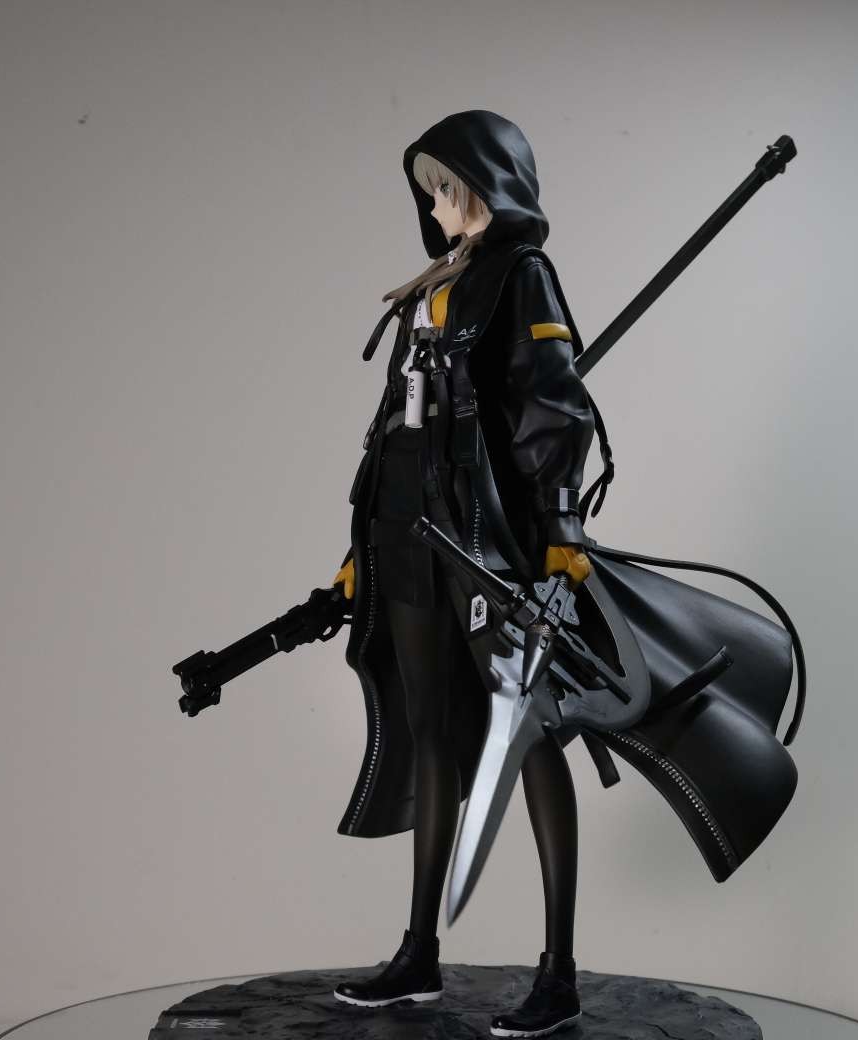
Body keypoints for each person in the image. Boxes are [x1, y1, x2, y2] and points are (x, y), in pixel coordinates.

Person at [327, 110, 596, 1038]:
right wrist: (363, 543)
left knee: (532, 734)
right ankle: (419, 956)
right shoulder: (436, 282)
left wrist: (559, 529)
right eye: (429, 189)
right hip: (407, 531)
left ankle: (559, 972)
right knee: (432, 726)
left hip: (486, 541)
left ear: (487, 183)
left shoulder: (522, 274)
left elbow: (554, 408)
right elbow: (390, 424)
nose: (436, 204)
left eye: (447, 185)